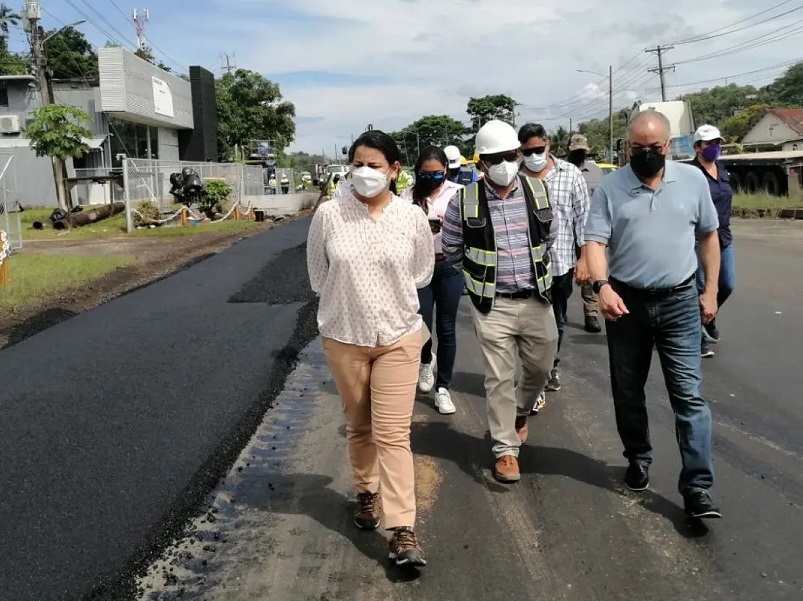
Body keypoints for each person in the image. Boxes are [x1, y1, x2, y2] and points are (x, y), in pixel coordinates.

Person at [584, 110, 722, 519]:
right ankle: (638, 458)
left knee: (689, 398)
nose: (646, 154)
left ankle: (697, 487)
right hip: (627, 304)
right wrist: (602, 286)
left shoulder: (693, 181)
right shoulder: (610, 188)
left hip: (680, 302)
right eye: (638, 148)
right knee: (628, 392)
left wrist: (710, 290)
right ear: (628, 147)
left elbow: (708, 236)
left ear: (669, 146)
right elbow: (594, 243)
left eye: (655, 148)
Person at [306, 130, 434, 566]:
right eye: (358, 163)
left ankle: (403, 529)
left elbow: (421, 273)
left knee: (393, 433)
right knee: (359, 425)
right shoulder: (328, 215)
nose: (364, 173)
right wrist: (349, 307)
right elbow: (318, 277)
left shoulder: (411, 218)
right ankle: (366, 492)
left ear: (395, 170)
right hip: (345, 338)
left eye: (374, 165)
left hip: (398, 336)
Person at [442, 120, 558, 484]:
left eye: (511, 156)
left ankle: (520, 413)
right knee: (498, 378)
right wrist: (480, 280)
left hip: (537, 298)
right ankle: (505, 450)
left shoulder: (538, 192)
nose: (506, 163)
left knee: (541, 368)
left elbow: (549, 237)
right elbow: (450, 248)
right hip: (492, 305)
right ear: (481, 163)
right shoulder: (464, 201)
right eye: (496, 158)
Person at [519, 124, 591, 396]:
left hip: (560, 263)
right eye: (528, 152)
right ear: (520, 151)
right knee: (528, 324)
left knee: (557, 321)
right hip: (525, 267)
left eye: (539, 149)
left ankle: (550, 365)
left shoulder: (570, 174)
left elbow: (583, 219)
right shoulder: (515, 178)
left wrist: (584, 260)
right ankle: (533, 370)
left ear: (547, 144)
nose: (534, 155)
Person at [402, 146, 465, 415]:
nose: (431, 178)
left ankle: (443, 388)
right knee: (422, 324)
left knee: (447, 327)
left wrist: (446, 224)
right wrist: (421, 227)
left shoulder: (459, 194)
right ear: (418, 173)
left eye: (437, 174)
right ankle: (426, 360)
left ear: (446, 171)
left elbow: (468, 227)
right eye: (426, 174)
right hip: (419, 268)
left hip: (449, 265)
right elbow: (399, 231)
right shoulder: (407, 196)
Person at [690, 124, 735, 358]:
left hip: (723, 237)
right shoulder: (691, 173)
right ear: (697, 147)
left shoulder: (722, 168)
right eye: (710, 144)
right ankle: (696, 339)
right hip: (698, 239)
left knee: (727, 283)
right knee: (700, 287)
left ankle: (709, 316)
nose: (715, 148)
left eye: (717, 143)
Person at [565, 133, 604, 334]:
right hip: (564, 232)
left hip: (589, 232)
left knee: (590, 273)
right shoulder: (561, 172)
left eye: (582, 152)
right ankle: (559, 309)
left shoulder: (596, 173)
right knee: (563, 276)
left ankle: (591, 313)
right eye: (576, 151)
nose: (579, 155)